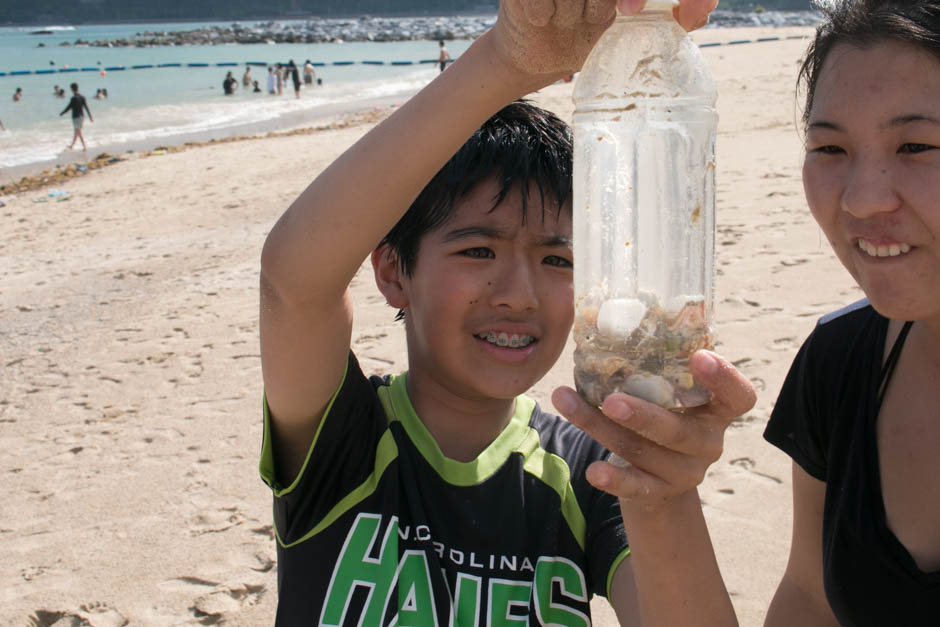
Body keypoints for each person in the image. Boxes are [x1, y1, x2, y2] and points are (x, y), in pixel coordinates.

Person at [258, 0, 754, 624]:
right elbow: (293, 281)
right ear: (392, 270)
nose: (518, 294)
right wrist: (506, 60)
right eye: (478, 249)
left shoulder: (589, 470)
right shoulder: (343, 439)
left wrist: (664, 488)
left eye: (557, 261)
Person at [762, 0, 940, 624]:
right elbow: (809, 597)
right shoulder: (840, 358)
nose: (862, 201)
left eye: (917, 145)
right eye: (830, 148)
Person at [59, 82, 92, 151]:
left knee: (78, 132)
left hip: (76, 117)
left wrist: (62, 113)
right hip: (82, 116)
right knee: (77, 132)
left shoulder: (73, 98)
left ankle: (84, 146)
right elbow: (86, 107)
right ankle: (72, 146)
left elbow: (69, 107)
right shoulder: (82, 97)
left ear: (72, 89)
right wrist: (90, 116)